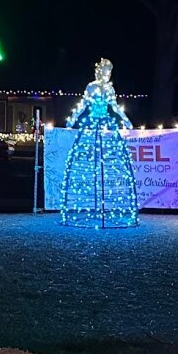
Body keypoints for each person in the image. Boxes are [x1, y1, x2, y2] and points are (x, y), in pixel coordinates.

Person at [60, 57, 139, 228]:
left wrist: (126, 120)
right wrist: (73, 118)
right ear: (99, 71)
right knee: (89, 160)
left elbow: (115, 107)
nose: (108, 74)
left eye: (110, 72)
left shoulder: (110, 88)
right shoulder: (91, 86)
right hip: (91, 122)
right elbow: (83, 104)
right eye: (106, 71)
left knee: (109, 159)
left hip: (106, 123)